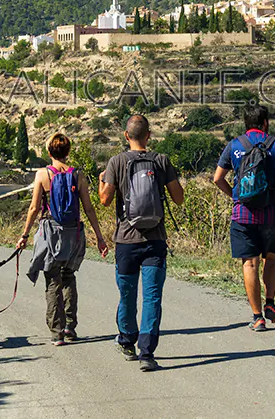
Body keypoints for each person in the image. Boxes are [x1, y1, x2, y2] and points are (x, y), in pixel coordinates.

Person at [98, 114, 184, 372]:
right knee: (152, 297)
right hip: (155, 241)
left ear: (126, 136)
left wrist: (103, 180)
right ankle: (147, 353)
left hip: (126, 241)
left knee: (127, 295)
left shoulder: (116, 162)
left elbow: (104, 200)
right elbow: (179, 199)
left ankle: (126, 341)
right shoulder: (161, 161)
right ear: (149, 135)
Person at [212, 104, 275, 331]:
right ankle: (270, 303)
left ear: (245, 123)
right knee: (271, 258)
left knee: (250, 263)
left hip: (243, 215)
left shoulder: (234, 146)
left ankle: (257, 317)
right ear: (266, 123)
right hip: (273, 213)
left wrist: (236, 196)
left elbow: (217, 178)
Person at [17, 133, 108, 346]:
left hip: (51, 233)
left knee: (52, 281)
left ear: (49, 152)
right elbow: (88, 208)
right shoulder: (78, 175)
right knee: (68, 277)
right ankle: (70, 327)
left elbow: (33, 208)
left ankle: (56, 332)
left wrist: (24, 235)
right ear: (68, 152)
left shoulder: (42, 175)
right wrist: (100, 237)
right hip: (73, 234)